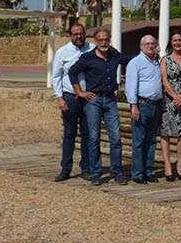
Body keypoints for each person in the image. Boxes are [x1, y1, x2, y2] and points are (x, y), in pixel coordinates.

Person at [69, 27, 134, 186]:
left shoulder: (115, 55)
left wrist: (148, 53)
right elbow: (72, 72)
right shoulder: (87, 58)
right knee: (93, 138)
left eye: (106, 39)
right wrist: (80, 92)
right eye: (101, 40)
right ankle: (96, 173)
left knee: (116, 138)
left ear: (109, 39)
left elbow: (129, 60)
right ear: (96, 41)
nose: (104, 42)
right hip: (93, 101)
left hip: (110, 100)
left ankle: (117, 172)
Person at [51, 23, 94, 182]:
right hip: (70, 97)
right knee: (70, 134)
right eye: (75, 34)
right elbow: (56, 76)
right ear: (70, 35)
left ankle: (86, 168)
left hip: (89, 97)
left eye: (81, 33)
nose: (79, 36)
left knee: (87, 134)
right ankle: (66, 169)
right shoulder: (62, 52)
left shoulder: (92, 49)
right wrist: (60, 98)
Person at [125, 34, 163, 185]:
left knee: (151, 140)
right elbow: (130, 86)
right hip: (142, 105)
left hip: (156, 105)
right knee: (139, 141)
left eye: (153, 43)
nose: (150, 46)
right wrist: (134, 105)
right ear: (141, 46)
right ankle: (138, 173)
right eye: (147, 44)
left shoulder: (156, 62)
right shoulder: (135, 62)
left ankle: (148, 171)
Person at [159, 31, 181, 182]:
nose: (178, 43)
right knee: (166, 132)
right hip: (168, 100)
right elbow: (165, 81)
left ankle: (179, 164)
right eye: (175, 40)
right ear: (171, 43)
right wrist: (175, 97)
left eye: (180, 40)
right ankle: (167, 164)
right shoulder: (165, 60)